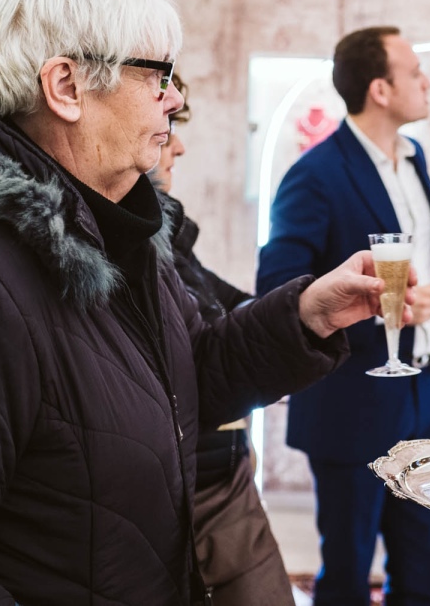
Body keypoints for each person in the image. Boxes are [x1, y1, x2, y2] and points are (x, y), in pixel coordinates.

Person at [0, 0, 411, 606]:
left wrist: (306, 316)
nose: (174, 99)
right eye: (157, 75)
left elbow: (187, 374)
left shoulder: (109, 228)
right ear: (66, 86)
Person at [256, 26, 430, 605]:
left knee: (422, 562)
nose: (427, 81)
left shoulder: (412, 157)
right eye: (414, 72)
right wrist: (382, 309)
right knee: (347, 570)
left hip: (423, 391)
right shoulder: (314, 176)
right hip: (351, 398)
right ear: (379, 89)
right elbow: (278, 289)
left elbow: (418, 245)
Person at [153, 72, 296, 605]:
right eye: (168, 125)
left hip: (222, 472)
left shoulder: (162, 233)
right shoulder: (129, 239)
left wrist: (312, 313)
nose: (179, 146)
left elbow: (226, 305)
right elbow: (199, 354)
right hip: (198, 485)